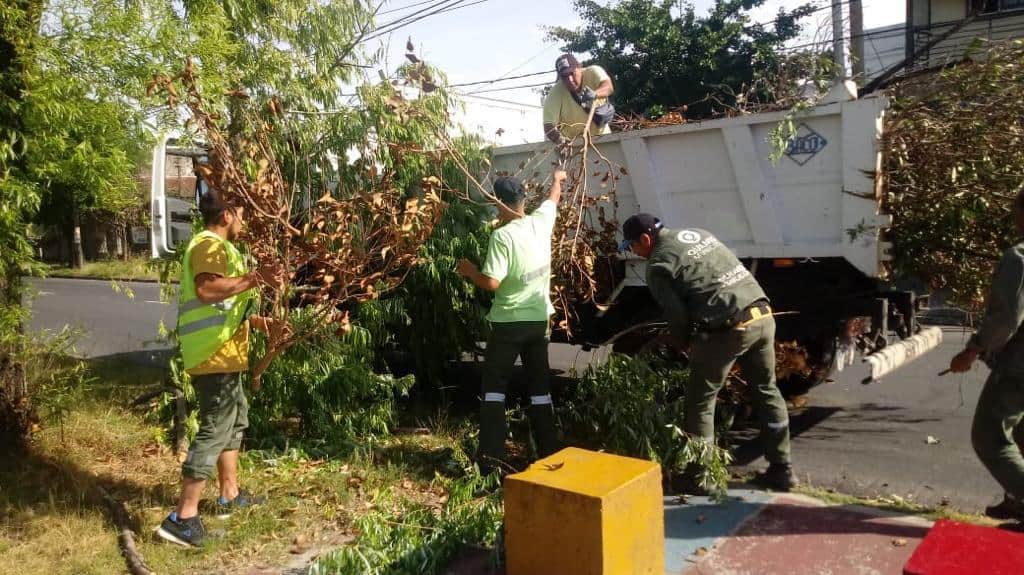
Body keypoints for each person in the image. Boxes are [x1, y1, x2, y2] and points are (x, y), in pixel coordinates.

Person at [620, 213, 797, 493]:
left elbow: (676, 315)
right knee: (766, 389)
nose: (634, 252)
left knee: (700, 401)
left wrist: (681, 341)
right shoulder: (698, 232)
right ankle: (782, 468)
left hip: (730, 329)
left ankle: (703, 477)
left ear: (645, 239)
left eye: (632, 246)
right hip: (763, 315)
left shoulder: (658, 264)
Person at [157, 187, 284, 547]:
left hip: (224, 353)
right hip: (211, 354)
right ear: (226, 215)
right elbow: (208, 291)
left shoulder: (224, 249)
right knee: (215, 425)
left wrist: (259, 323)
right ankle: (183, 518)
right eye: (242, 212)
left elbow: (225, 308)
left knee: (234, 418)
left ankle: (229, 494)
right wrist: (257, 279)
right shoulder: (209, 245)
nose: (245, 220)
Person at [456, 171, 567, 474]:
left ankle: (489, 461)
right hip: (538, 321)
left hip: (508, 324)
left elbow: (492, 281)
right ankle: (547, 453)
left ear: (499, 202)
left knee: (494, 388)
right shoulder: (541, 222)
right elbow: (552, 199)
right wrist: (557, 178)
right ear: (523, 200)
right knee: (540, 388)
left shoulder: (502, 236)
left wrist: (468, 270)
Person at [949, 190, 1024, 523]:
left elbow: (1007, 319)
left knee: (990, 437)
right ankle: (1016, 501)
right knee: (1020, 433)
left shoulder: (1019, 257)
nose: (1013, 217)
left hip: (1019, 367)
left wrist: (973, 349)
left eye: (1015, 211)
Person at [543, 53, 614, 145]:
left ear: (580, 67)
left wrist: (595, 94)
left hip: (604, 139)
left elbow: (608, 87)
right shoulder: (555, 93)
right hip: (574, 145)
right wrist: (561, 141)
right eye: (564, 76)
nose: (570, 79)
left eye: (572, 73)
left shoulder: (593, 72)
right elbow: (548, 125)